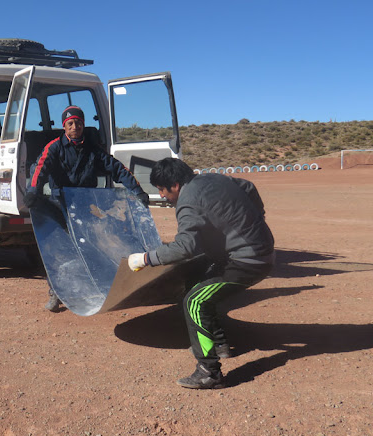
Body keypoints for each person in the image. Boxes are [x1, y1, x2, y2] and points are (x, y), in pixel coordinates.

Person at [128, 158, 274, 389]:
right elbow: (248, 187)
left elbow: (185, 247)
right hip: (256, 251)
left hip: (248, 261)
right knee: (196, 280)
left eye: (162, 190)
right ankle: (219, 343)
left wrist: (145, 259)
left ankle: (209, 372)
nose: (162, 196)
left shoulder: (188, 202)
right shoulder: (213, 177)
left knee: (194, 302)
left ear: (174, 185)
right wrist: (257, 219)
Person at [24, 105, 149, 312]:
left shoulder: (93, 148)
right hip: (60, 205)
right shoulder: (54, 147)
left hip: (86, 206)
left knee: (92, 246)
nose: (75, 127)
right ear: (64, 127)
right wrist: (32, 190)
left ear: (83, 125)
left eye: (78, 123)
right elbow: (40, 168)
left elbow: (117, 168)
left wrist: (138, 191)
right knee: (61, 251)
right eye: (70, 124)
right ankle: (56, 292)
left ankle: (98, 287)